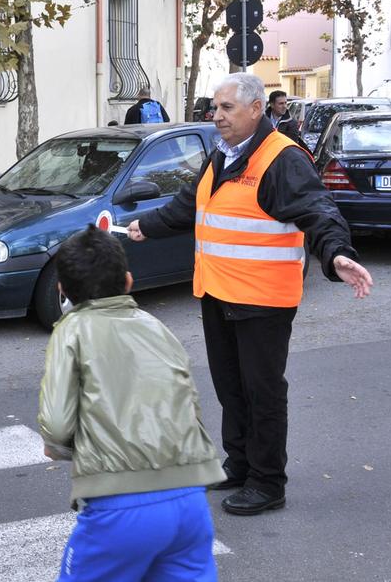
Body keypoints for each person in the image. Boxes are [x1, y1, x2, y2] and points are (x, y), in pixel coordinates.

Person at [127, 72, 374, 516]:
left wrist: (336, 253)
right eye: (215, 108)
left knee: (262, 392)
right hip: (219, 292)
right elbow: (191, 204)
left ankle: (267, 482)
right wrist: (148, 225)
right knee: (230, 388)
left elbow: (318, 210)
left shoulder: (282, 158)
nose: (216, 116)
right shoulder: (221, 155)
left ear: (256, 109)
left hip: (263, 300)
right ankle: (239, 463)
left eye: (226, 108)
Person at [39, 225, 224, 582]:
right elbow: (187, 401)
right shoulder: (158, 328)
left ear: (62, 291)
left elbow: (58, 423)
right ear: (128, 281)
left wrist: (59, 447)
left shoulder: (71, 330)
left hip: (120, 504)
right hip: (189, 499)